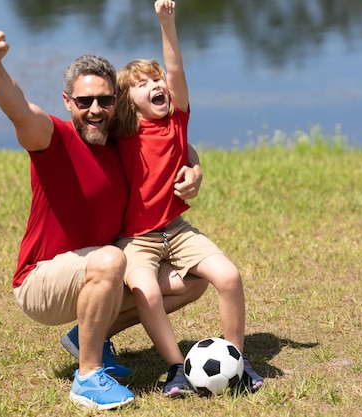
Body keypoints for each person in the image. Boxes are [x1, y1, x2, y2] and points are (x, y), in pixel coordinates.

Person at [0, 29, 208, 411]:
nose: (95, 110)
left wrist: (195, 169)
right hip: (40, 280)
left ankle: (88, 336)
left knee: (192, 278)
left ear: (117, 103)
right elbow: (17, 107)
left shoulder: (117, 141)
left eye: (104, 100)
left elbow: (176, 142)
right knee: (111, 258)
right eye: (85, 101)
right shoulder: (53, 139)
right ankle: (87, 377)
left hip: (99, 272)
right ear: (68, 102)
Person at [113, 0, 263, 397]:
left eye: (156, 78)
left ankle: (237, 362)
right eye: (141, 84)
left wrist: (167, 22)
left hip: (176, 230)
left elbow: (176, 68)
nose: (156, 85)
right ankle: (176, 367)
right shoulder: (124, 133)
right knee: (144, 289)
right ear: (129, 102)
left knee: (228, 276)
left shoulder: (178, 118)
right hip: (137, 239)